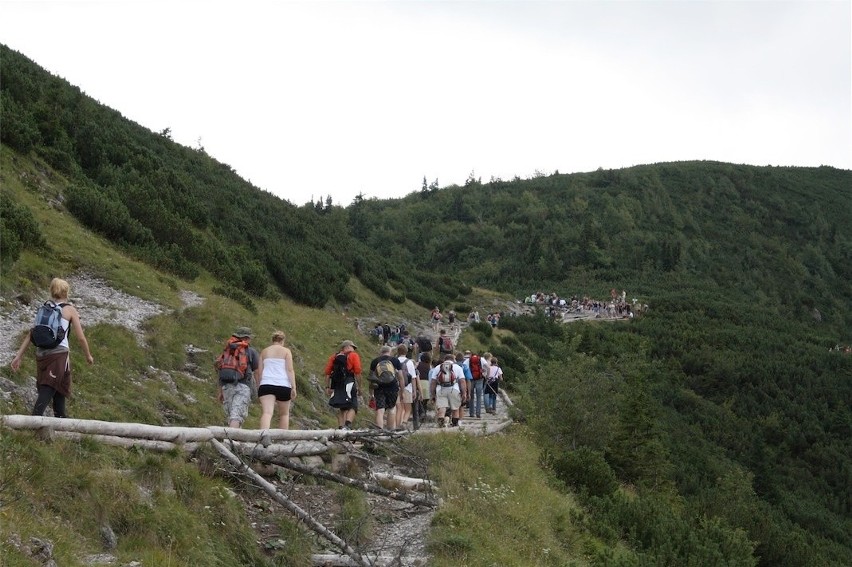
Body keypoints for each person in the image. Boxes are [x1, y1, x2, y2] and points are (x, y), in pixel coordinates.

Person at [10, 278, 94, 417]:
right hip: (58, 355)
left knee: (59, 390)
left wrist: (18, 356)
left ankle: (62, 424)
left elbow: (31, 334)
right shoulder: (70, 310)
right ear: (66, 292)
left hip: (42, 354)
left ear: (52, 291)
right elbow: (81, 337)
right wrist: (88, 356)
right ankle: (34, 421)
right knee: (48, 388)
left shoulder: (45, 308)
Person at [216, 327, 260, 429]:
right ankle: (232, 440)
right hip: (243, 387)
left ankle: (233, 440)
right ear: (246, 338)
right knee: (236, 416)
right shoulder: (251, 351)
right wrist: (258, 387)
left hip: (226, 386)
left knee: (231, 415)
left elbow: (221, 369)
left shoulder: (227, 350)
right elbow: (257, 371)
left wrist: (220, 390)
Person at [257, 330, 296, 430]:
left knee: (267, 413)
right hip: (283, 384)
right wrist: (293, 387)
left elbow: (260, 372)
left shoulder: (264, 352)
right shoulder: (286, 351)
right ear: (282, 341)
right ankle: (283, 440)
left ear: (272, 340)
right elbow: (290, 369)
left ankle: (263, 436)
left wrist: (259, 385)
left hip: (266, 384)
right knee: (284, 414)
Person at [325, 339, 362, 430]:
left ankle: (341, 428)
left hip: (337, 384)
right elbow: (357, 371)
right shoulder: (353, 355)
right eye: (353, 347)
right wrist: (360, 386)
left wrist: (327, 386)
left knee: (342, 407)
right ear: (348, 347)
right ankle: (348, 425)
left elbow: (327, 373)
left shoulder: (334, 357)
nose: (354, 349)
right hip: (349, 381)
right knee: (353, 405)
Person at [368, 344, 403, 430]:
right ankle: (390, 430)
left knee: (380, 409)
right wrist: (402, 390)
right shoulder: (395, 361)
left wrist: (371, 393)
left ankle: (379, 430)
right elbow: (401, 377)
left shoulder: (375, 361)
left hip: (379, 387)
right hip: (392, 387)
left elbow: (371, 378)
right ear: (390, 352)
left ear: (381, 352)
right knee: (391, 409)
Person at [430, 354, 466, 427]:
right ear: (454, 359)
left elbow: (433, 382)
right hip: (454, 389)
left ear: (444, 359)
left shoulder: (438, 367)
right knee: (455, 409)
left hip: (441, 389)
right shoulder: (458, 367)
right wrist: (464, 393)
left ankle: (441, 424)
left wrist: (432, 394)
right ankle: (455, 425)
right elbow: (462, 381)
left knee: (442, 407)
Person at [394, 344, 418, 430]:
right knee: (408, 409)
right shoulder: (409, 362)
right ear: (406, 352)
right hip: (407, 388)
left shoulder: (394, 361)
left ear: (398, 351)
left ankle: (397, 426)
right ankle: (404, 423)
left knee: (399, 408)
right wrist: (414, 391)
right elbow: (413, 378)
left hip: (396, 388)